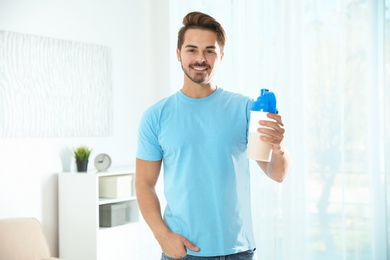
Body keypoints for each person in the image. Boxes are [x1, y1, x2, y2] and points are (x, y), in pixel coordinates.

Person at [135, 11, 291, 260]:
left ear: (221, 56)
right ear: (178, 54)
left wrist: (279, 147)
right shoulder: (156, 116)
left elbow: (277, 173)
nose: (200, 58)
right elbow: (144, 184)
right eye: (191, 49)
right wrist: (162, 236)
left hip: (238, 251)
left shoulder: (245, 109)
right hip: (182, 252)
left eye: (209, 50)